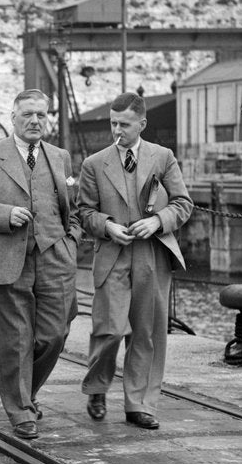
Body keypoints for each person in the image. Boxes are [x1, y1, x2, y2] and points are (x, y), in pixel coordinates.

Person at [0, 89, 82, 440]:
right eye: (27, 114)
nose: (35, 121)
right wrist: (4, 214)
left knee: (54, 335)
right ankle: (21, 410)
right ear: (12, 117)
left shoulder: (60, 156)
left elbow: (70, 208)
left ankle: (26, 392)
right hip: (8, 258)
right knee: (15, 340)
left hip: (55, 256)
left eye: (41, 115)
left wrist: (70, 241)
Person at [78, 91, 193, 429]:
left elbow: (183, 203)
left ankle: (139, 405)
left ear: (142, 124)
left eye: (125, 124)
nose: (117, 130)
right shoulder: (94, 164)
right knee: (110, 329)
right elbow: (84, 212)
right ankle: (97, 386)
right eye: (113, 123)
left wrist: (157, 221)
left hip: (152, 254)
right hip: (112, 254)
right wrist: (107, 226)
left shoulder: (163, 157)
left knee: (147, 332)